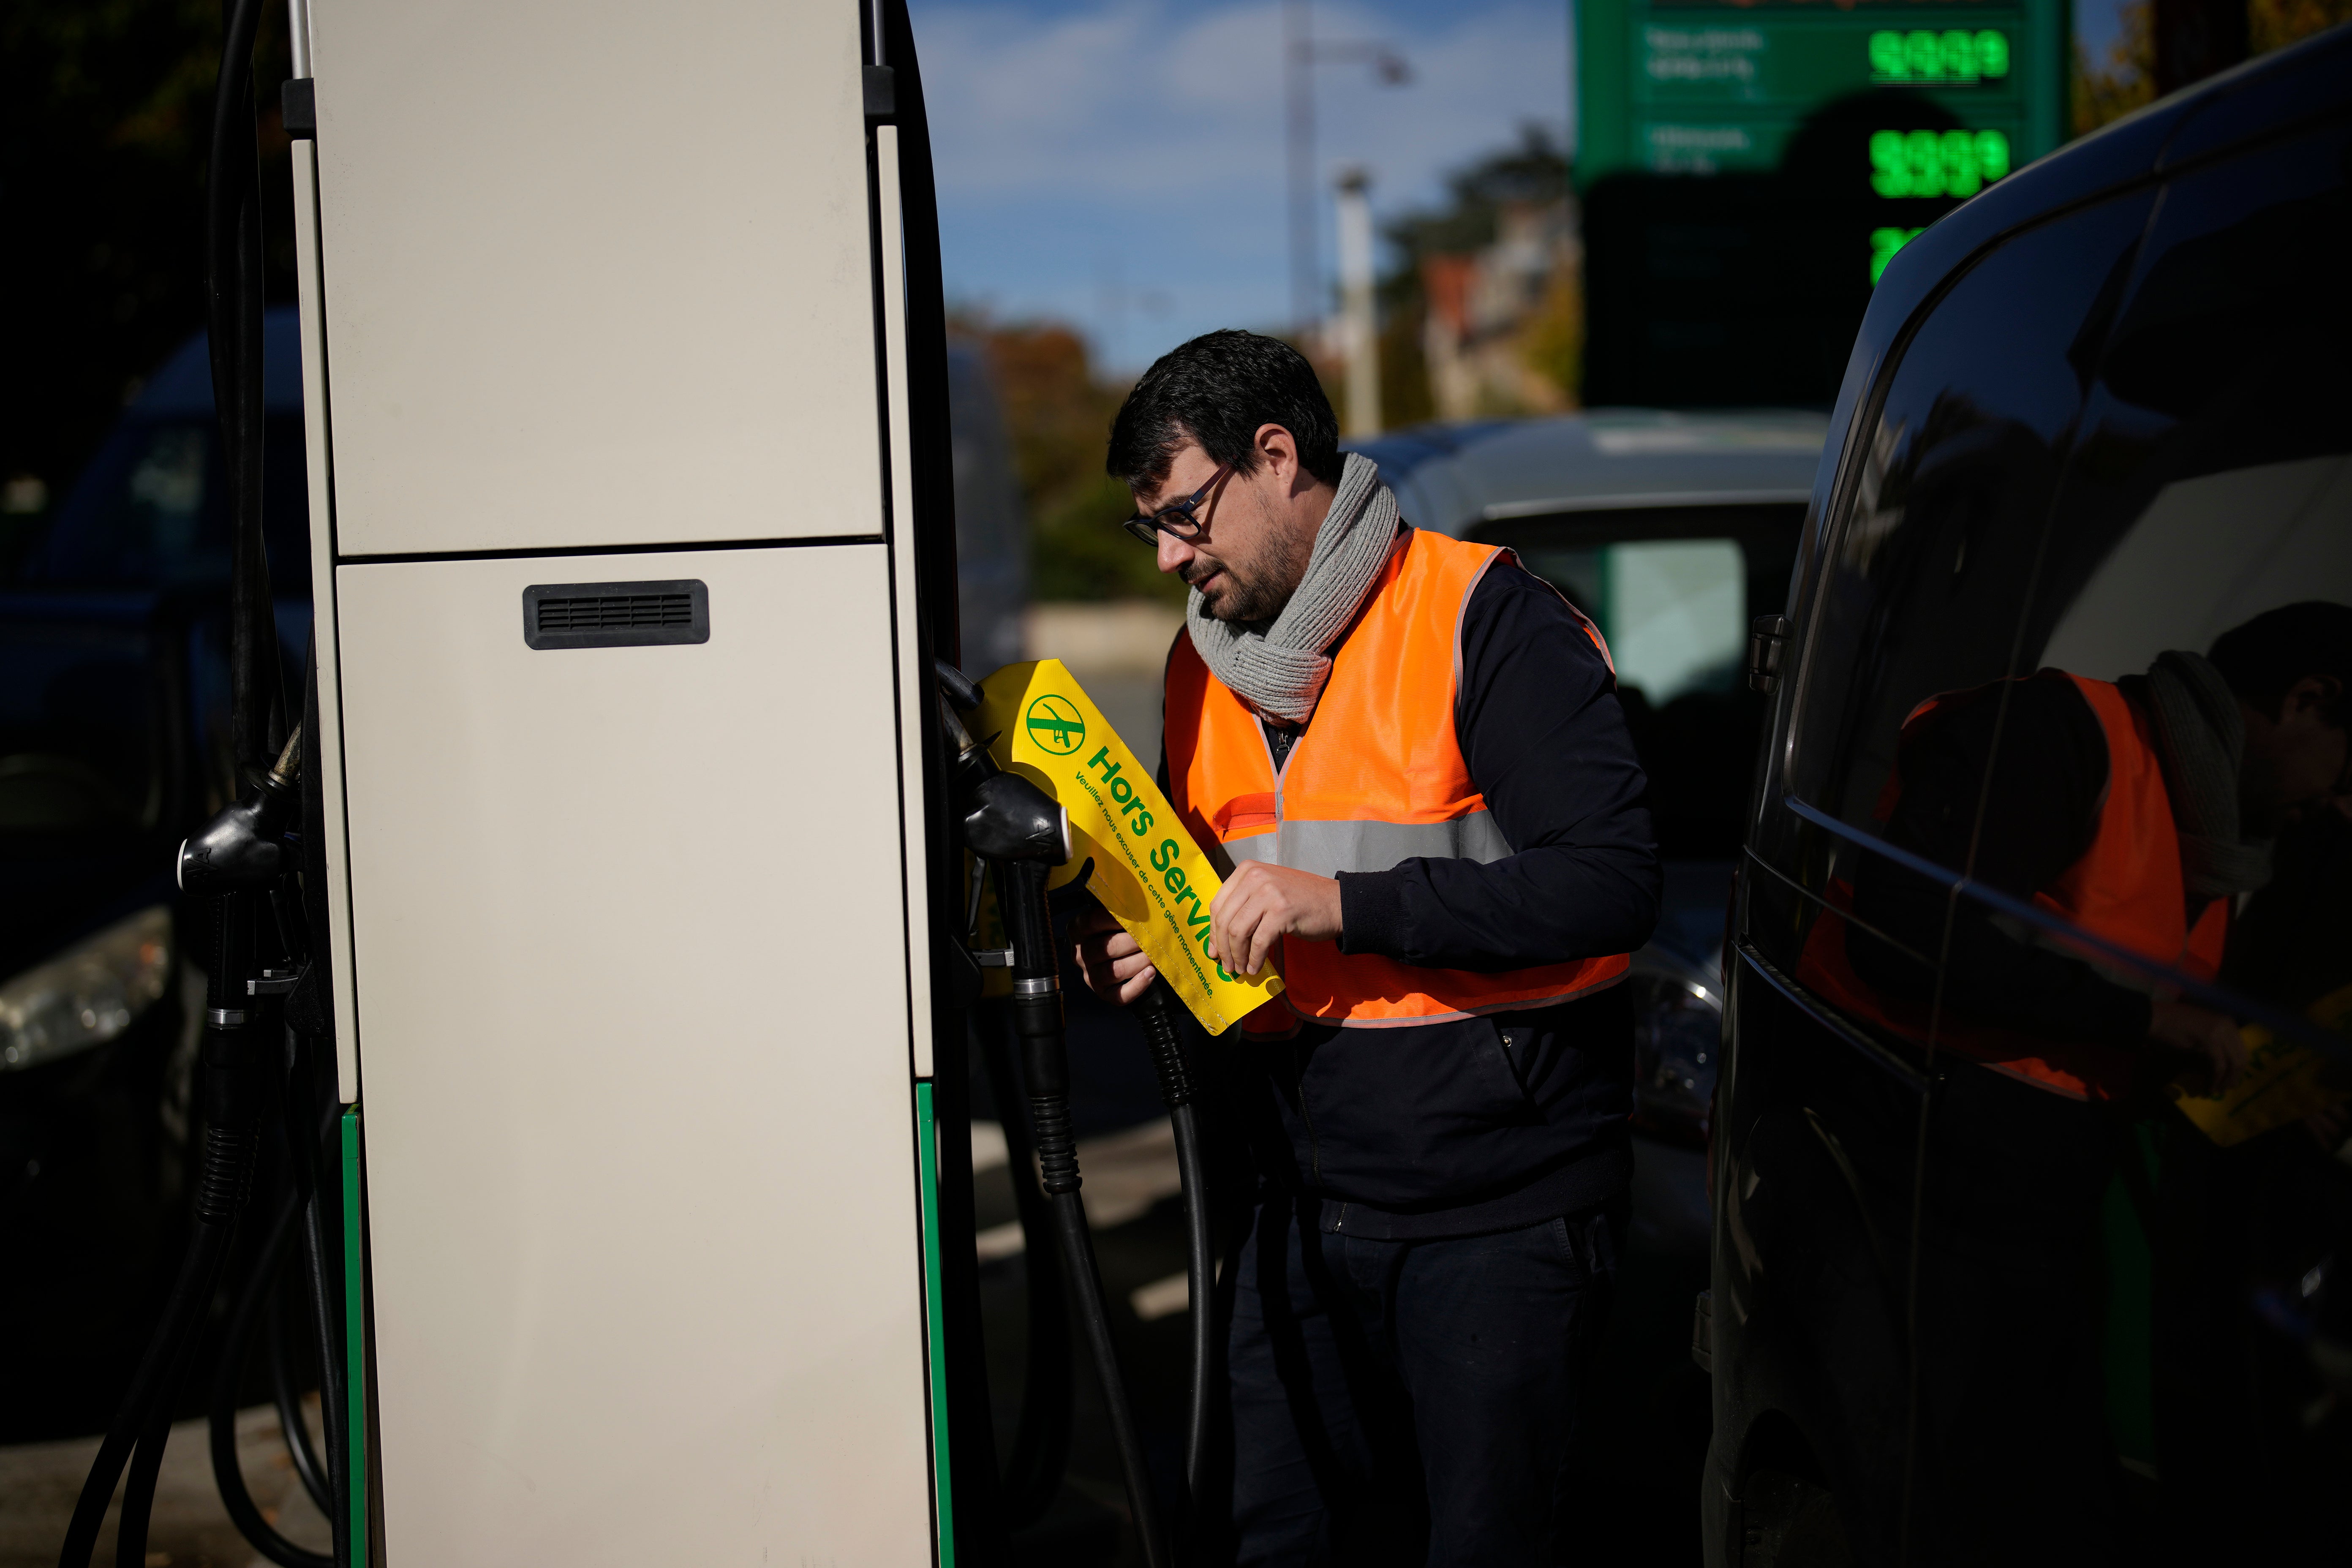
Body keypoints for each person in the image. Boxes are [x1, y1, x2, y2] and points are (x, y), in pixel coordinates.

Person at [1068, 331, 1660, 1566]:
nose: (1175, 558)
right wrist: (1139, 944)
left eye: (1186, 516)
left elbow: (1608, 884)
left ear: (1276, 456)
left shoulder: (1481, 615)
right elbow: (1210, 893)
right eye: (1153, 534)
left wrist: (1341, 904)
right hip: (1295, 1197)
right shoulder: (1200, 666)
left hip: (1494, 1219)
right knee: (1279, 1541)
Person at [1795, 600, 2352, 1563]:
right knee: (1941, 1506)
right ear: (2305, 701)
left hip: (2033, 1216)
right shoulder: (2058, 733)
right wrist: (2144, 1021)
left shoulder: (2208, 835)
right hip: (1916, 1182)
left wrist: (2228, 1084)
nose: (2345, 807)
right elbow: (1905, 934)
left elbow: (2092, 1016)